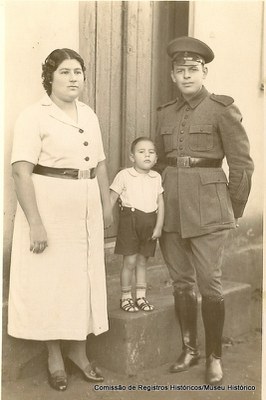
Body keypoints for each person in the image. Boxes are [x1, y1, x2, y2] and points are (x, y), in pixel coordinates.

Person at [8, 48, 112, 391]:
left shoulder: (89, 115)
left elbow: (98, 164)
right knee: (50, 281)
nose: (73, 79)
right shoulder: (33, 116)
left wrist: (105, 204)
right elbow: (21, 173)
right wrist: (35, 222)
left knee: (82, 278)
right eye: (65, 72)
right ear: (49, 77)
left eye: (78, 72)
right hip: (49, 206)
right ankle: (54, 356)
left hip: (84, 207)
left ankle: (79, 353)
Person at [154, 36, 254, 384]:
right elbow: (157, 162)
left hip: (210, 210)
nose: (186, 76)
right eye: (180, 70)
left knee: (210, 284)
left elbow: (242, 164)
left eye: (192, 69)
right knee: (181, 282)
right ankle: (189, 349)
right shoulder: (166, 112)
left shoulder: (222, 109)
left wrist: (232, 209)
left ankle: (214, 356)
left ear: (204, 71)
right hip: (173, 209)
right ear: (172, 75)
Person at [110, 137, 164, 312]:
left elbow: (160, 203)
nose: (147, 155)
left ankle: (141, 296)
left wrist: (158, 227)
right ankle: (126, 297)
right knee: (130, 261)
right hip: (130, 221)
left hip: (149, 222)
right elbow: (112, 198)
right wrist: (104, 218)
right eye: (141, 152)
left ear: (156, 158)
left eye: (151, 152)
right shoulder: (124, 175)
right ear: (132, 157)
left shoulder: (156, 177)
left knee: (142, 261)